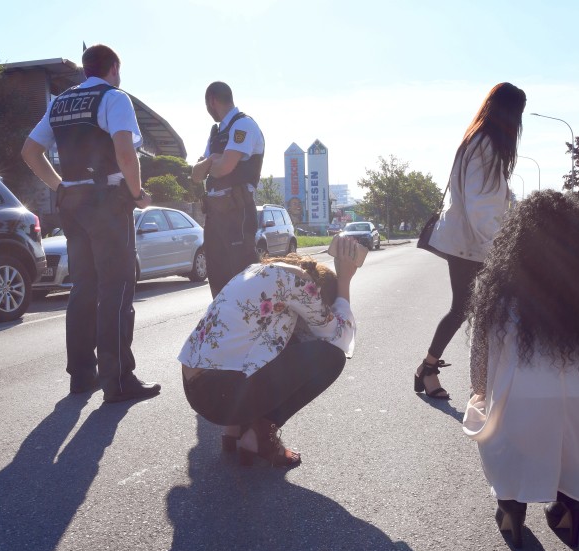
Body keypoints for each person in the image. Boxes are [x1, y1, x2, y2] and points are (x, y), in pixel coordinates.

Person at [462, 191, 579, 549]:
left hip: (522, 423)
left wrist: (480, 394)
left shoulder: (498, 292)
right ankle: (573, 504)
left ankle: (511, 503)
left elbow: (480, 370)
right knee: (573, 425)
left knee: (487, 411)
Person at [21, 44, 161, 403]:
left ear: (86, 69)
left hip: (74, 205)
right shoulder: (114, 98)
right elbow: (124, 151)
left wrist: (61, 187)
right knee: (116, 289)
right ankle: (118, 380)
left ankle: (82, 375)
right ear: (114, 68)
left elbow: (29, 151)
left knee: (83, 287)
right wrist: (137, 192)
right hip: (107, 203)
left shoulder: (61, 102)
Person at [178, 236, 359, 467]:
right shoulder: (302, 282)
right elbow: (337, 336)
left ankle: (233, 430)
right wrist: (344, 281)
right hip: (221, 395)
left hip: (194, 389)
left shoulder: (257, 269)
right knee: (330, 358)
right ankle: (258, 436)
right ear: (321, 292)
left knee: (279, 338)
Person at [414, 82, 527, 400]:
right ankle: (435, 370)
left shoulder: (478, 141)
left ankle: (435, 370)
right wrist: (501, 250)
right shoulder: (485, 145)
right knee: (469, 308)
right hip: (472, 243)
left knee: (471, 309)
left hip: (470, 242)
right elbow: (480, 207)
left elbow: (488, 200)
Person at [191, 82, 265, 298]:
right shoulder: (216, 132)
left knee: (242, 277)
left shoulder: (243, 125)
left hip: (237, 212)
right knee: (218, 277)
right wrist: (213, 160)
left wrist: (210, 163)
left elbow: (225, 167)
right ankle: (224, 328)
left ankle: (251, 329)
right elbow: (195, 175)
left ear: (211, 101)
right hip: (214, 214)